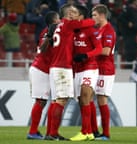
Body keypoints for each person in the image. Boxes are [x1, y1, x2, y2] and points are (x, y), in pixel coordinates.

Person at [45, 4, 95, 141]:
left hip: (55, 66)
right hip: (62, 67)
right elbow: (91, 22)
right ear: (67, 14)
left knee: (56, 100)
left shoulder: (58, 26)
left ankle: (50, 132)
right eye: (72, 12)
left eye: (75, 12)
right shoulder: (68, 24)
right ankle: (53, 133)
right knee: (61, 100)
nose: (74, 14)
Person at [69, 5, 102, 141]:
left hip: (90, 67)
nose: (71, 15)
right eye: (70, 12)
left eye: (74, 13)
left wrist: (86, 55)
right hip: (78, 70)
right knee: (81, 101)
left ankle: (85, 131)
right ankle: (89, 132)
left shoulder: (89, 30)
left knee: (85, 97)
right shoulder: (71, 31)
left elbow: (99, 49)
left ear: (81, 17)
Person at [26, 11, 60, 140]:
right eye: (58, 19)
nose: (61, 20)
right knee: (40, 101)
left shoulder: (56, 32)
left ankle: (48, 132)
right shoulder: (47, 32)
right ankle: (32, 132)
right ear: (54, 21)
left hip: (48, 70)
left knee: (50, 101)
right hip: (41, 69)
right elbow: (44, 48)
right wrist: (49, 36)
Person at [91, 4, 116, 140]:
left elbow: (106, 51)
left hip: (105, 70)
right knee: (88, 98)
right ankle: (94, 131)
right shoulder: (97, 30)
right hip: (96, 68)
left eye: (94, 15)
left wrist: (89, 53)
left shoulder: (108, 30)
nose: (92, 18)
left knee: (102, 100)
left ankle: (106, 134)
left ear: (102, 15)